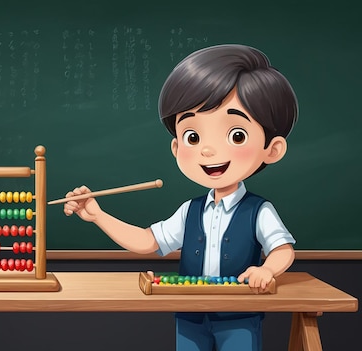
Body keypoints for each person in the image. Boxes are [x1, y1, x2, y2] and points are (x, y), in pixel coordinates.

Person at [63, 44, 298, 351]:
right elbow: (148, 242)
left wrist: (267, 270)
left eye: (236, 135)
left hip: (239, 316)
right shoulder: (191, 211)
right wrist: (97, 215)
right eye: (193, 136)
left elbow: (283, 250)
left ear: (273, 148)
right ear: (176, 148)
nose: (207, 150)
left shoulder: (259, 210)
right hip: (190, 318)